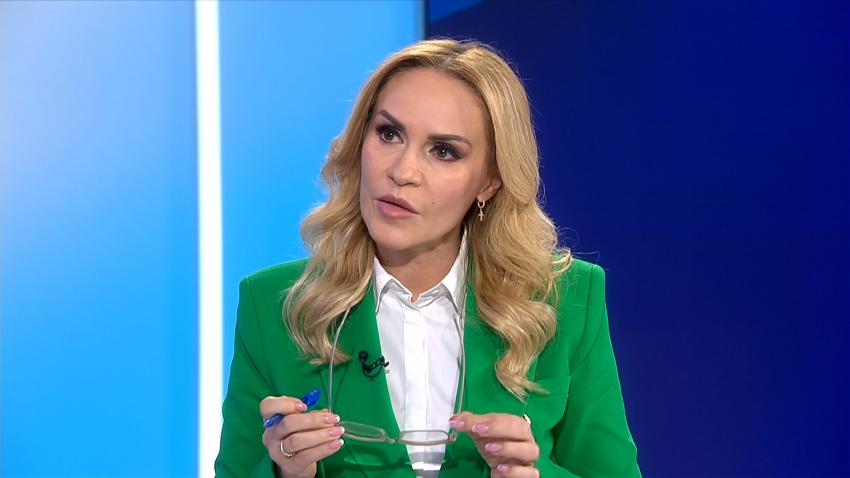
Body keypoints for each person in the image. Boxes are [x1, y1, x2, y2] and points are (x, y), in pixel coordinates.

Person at [215, 38, 641, 478]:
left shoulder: (566, 300)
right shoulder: (273, 304)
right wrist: (285, 473)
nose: (402, 172)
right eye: (389, 133)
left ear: (489, 181)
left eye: (444, 151)